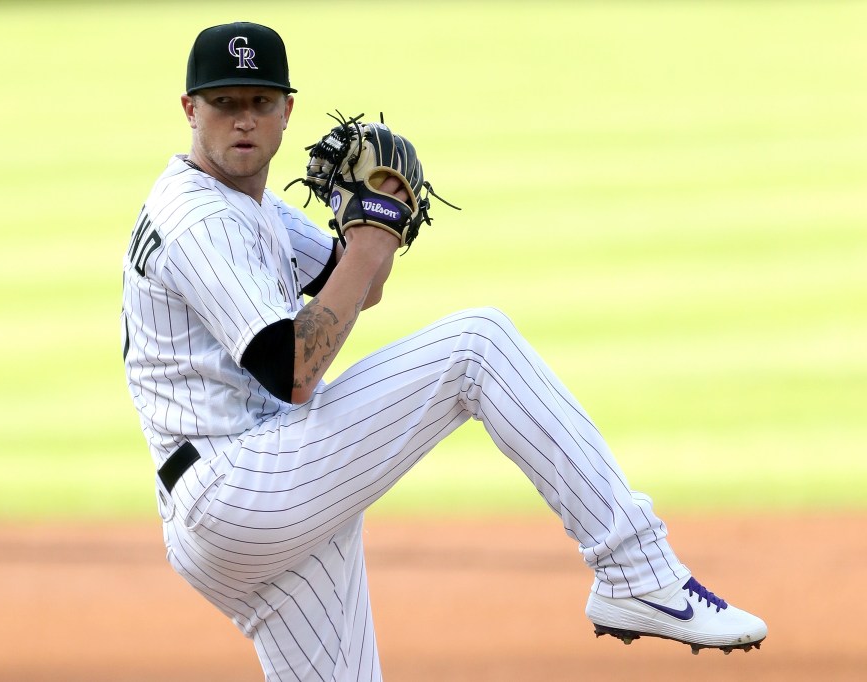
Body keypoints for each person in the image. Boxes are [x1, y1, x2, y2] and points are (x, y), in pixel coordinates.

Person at [121, 21, 767, 681]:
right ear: (189, 109)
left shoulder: (249, 205)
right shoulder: (200, 219)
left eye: (259, 102)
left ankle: (639, 572)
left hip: (255, 498)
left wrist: (380, 214)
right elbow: (294, 371)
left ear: (288, 109)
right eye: (225, 102)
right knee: (477, 347)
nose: (243, 120)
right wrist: (376, 225)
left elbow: (357, 286)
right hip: (240, 488)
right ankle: (637, 568)